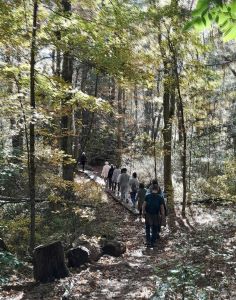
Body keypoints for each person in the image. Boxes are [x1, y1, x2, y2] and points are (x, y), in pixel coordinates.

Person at [142, 183, 165, 248]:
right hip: (156, 215)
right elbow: (162, 208)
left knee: (147, 228)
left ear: (151, 189)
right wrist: (162, 215)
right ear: (158, 190)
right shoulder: (160, 197)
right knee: (155, 228)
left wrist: (143, 213)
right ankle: (153, 242)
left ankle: (148, 242)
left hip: (148, 214)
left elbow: (144, 205)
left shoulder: (147, 196)